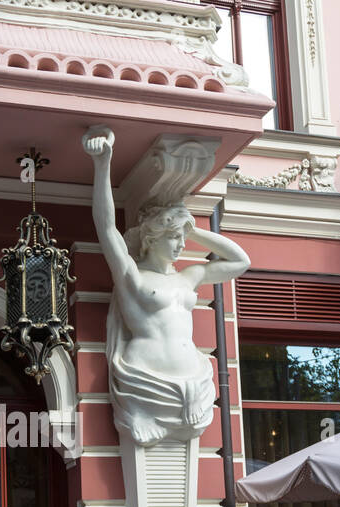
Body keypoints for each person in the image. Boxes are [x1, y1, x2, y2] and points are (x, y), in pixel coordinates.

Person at [82, 125, 251, 445]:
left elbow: (240, 262)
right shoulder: (132, 274)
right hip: (144, 381)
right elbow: (105, 226)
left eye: (180, 239)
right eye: (173, 238)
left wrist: (189, 227)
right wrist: (102, 164)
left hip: (194, 383)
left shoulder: (190, 276)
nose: (179, 246)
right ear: (151, 238)